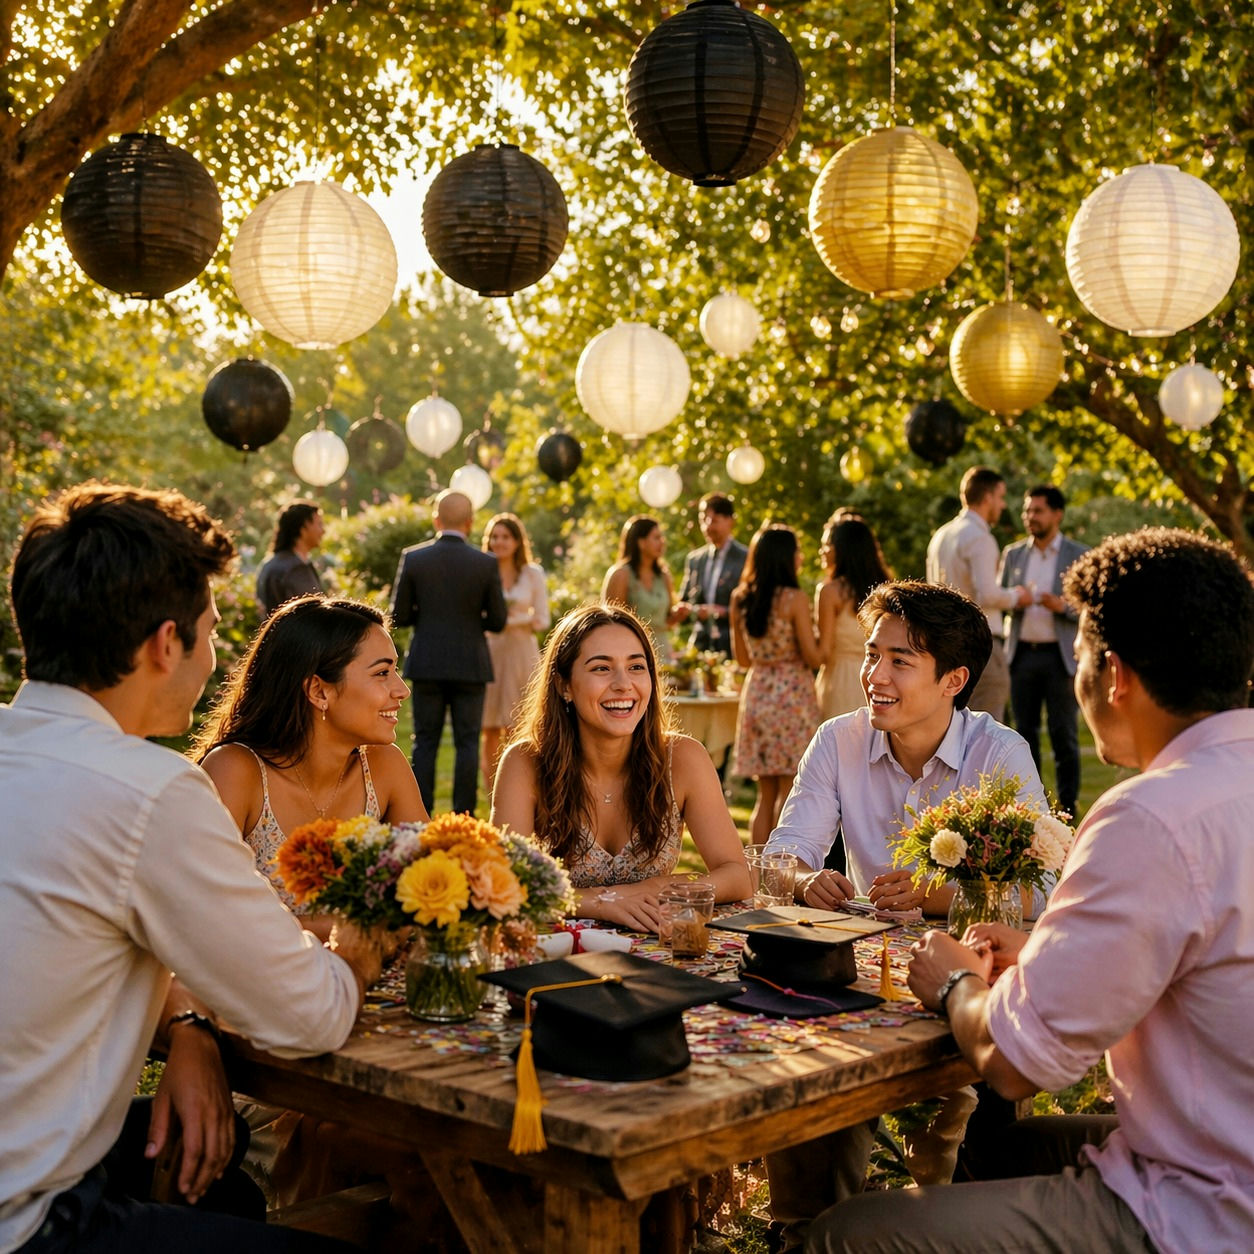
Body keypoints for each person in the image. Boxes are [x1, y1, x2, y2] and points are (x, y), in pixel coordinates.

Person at [808, 527, 1254, 1254]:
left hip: (1206, 1207)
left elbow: (1018, 1068)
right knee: (1006, 1157)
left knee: (847, 1234)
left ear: (1114, 676)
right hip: (1227, 1139)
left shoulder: (1151, 816)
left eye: (1076, 656)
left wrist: (955, 981)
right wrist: (1047, 950)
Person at [1, 481, 380, 1254]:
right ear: (161, 645)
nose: (215, 658)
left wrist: (189, 1025)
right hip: (30, 1219)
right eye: (210, 633)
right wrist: (368, 937)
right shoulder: (150, 792)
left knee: (226, 1176)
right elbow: (312, 1014)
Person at [760, 579, 1045, 1250]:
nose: (873, 676)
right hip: (858, 971)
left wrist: (935, 896)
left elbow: (1043, 889)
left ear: (953, 679)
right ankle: (803, 1227)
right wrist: (805, 881)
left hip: (970, 973)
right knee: (805, 1055)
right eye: (871, 654)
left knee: (973, 1126)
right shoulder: (837, 740)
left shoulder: (998, 754)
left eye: (898, 661)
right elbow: (779, 857)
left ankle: (947, 1216)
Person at [492, 603, 751, 933]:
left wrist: (656, 891)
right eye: (601, 668)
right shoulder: (525, 763)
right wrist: (603, 902)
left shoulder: (684, 758)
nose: (623, 684)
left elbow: (737, 875)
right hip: (560, 959)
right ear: (564, 685)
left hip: (658, 953)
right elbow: (504, 888)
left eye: (636, 667)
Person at [193, 594, 429, 938]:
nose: (401, 690)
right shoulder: (236, 771)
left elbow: (434, 889)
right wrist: (358, 928)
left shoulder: (383, 767)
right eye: (382, 673)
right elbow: (203, 916)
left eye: (395, 671)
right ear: (319, 691)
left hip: (373, 985)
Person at [390, 490, 507, 815]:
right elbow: (498, 620)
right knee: (468, 743)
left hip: (427, 661)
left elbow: (399, 615)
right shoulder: (485, 563)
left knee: (424, 741)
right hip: (470, 663)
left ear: (436, 520)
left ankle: (419, 813)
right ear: (470, 523)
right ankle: (464, 816)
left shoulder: (415, 558)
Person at [998, 485, 1089, 818]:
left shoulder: (1078, 555)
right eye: (1027, 510)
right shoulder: (1013, 555)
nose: (1029, 517)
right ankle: (1032, 808)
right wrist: (1014, 600)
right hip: (1022, 655)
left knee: (1063, 734)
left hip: (1059, 656)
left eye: (1037, 510)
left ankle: (1066, 809)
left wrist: (1062, 606)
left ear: (1057, 514)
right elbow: (1000, 601)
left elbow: (1090, 608)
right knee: (1024, 735)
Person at [730, 524, 823, 848]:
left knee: (764, 795)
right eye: (796, 550)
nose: (800, 557)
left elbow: (741, 658)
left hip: (758, 692)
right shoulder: (794, 599)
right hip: (792, 694)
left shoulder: (740, 599)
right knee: (789, 789)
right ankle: (779, 868)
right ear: (785, 557)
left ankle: (756, 872)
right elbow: (813, 656)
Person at [926, 466, 1031, 720]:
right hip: (980, 644)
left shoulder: (941, 535)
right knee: (986, 727)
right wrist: (1019, 596)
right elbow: (987, 595)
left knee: (952, 724)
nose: (1003, 505)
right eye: (1000, 497)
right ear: (987, 497)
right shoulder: (980, 538)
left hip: (944, 644)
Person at [480, 514, 551, 797]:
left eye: (505, 536)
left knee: (517, 724)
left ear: (517, 541)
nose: (499, 542)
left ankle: (519, 790)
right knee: (489, 726)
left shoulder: (533, 573)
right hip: (491, 650)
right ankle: (491, 793)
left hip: (522, 651)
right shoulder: (483, 571)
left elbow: (542, 619)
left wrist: (514, 619)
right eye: (494, 536)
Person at [814, 511, 892, 722]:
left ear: (842, 550)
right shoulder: (887, 589)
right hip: (881, 677)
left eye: (826, 545)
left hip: (840, 681)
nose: (822, 551)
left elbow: (823, 653)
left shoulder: (830, 591)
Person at [676, 493, 748, 657]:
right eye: (703, 520)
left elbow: (752, 607)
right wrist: (685, 610)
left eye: (714, 520)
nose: (707, 527)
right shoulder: (695, 559)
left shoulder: (746, 558)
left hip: (733, 646)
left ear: (730, 521)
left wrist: (722, 611)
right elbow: (685, 599)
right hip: (700, 646)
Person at [601, 515, 682, 662]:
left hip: (663, 652)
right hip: (631, 652)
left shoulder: (664, 576)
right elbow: (611, 623)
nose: (662, 542)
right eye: (656, 538)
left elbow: (667, 620)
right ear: (641, 543)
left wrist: (680, 614)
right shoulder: (621, 575)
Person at [256, 500, 325, 619]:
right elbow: (313, 617)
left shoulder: (271, 564)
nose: (323, 531)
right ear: (304, 527)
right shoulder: (294, 570)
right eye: (319, 524)